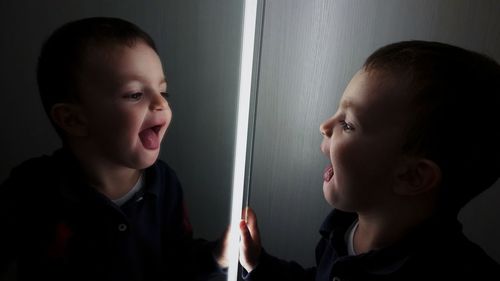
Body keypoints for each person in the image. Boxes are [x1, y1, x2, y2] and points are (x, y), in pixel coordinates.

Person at [239, 40, 500, 280]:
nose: (324, 125)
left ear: (412, 176)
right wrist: (260, 266)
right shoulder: (342, 230)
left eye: (348, 124)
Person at [0, 17, 228, 281]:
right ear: (73, 120)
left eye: (163, 93)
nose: (160, 104)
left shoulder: (164, 184)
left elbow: (178, 261)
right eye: (134, 94)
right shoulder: (31, 189)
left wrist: (218, 256)